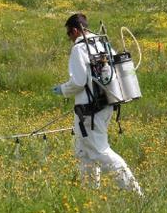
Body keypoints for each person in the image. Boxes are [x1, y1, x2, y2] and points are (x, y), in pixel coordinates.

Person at [53, 13, 143, 196]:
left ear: (75, 30)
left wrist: (62, 89)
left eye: (69, 34)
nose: (69, 38)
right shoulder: (103, 43)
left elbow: (78, 82)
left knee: (100, 151)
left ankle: (135, 193)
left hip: (90, 112)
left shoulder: (80, 49)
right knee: (84, 152)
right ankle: (89, 195)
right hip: (105, 106)